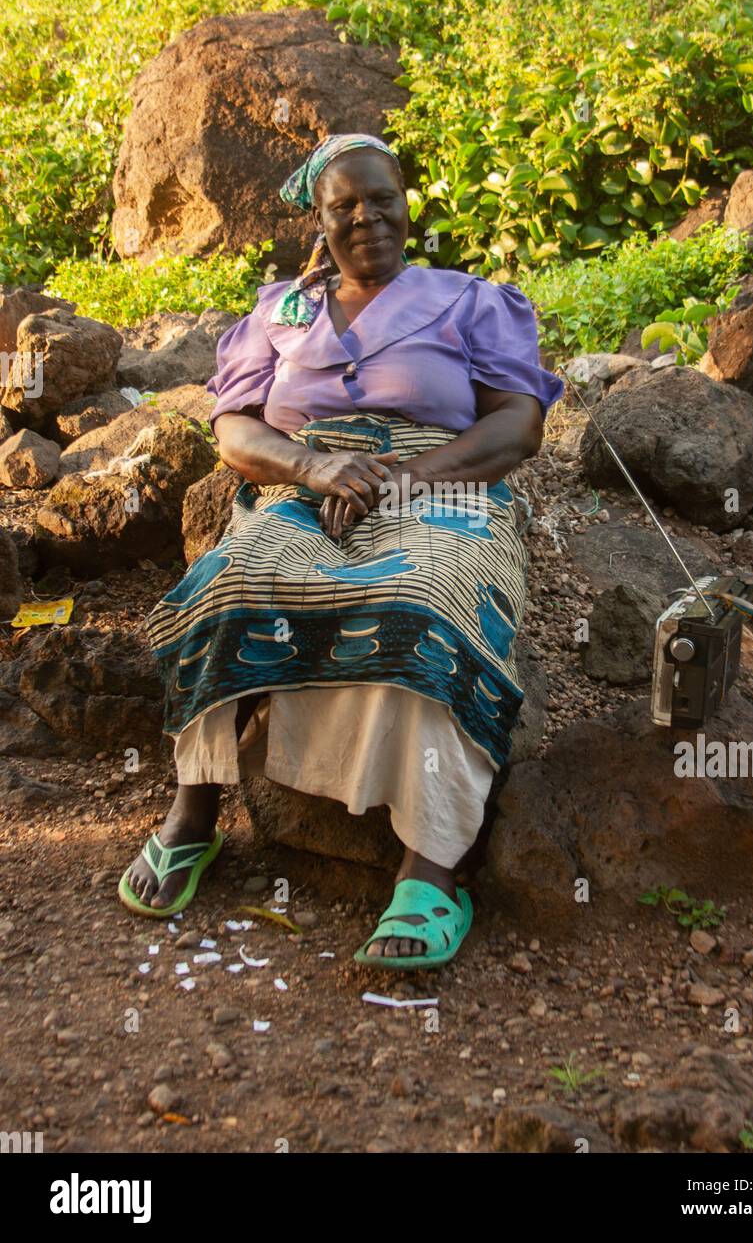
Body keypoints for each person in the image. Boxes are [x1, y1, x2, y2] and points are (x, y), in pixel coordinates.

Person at [118, 132, 564, 968]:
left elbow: (518, 422)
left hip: (442, 484)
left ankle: (430, 874)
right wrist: (313, 466)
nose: (368, 219)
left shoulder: (468, 299)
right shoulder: (283, 311)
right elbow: (234, 428)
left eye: (382, 199)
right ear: (317, 222)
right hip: (308, 483)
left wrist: (410, 477)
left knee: (427, 600)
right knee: (228, 584)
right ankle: (193, 816)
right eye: (344, 207)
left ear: (407, 202)